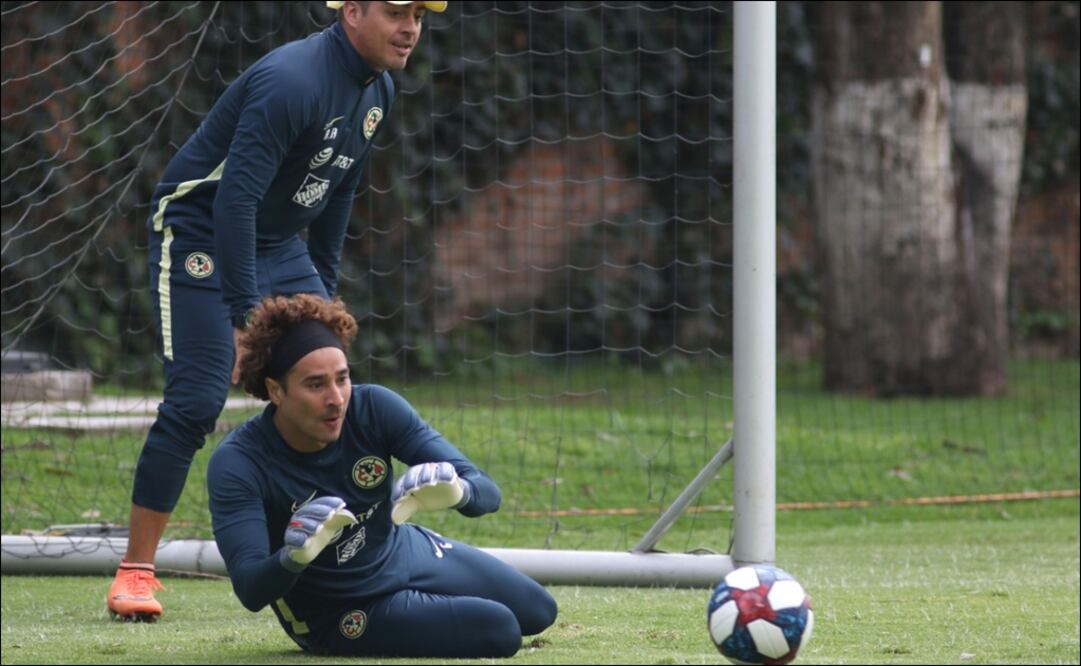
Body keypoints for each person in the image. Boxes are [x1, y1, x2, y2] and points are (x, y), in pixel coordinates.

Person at [108, 1, 449, 621]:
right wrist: (244, 315)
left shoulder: (380, 91)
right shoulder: (293, 81)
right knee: (199, 395)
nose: (410, 29)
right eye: (397, 13)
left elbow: (338, 192)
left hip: (277, 241)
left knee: (325, 378)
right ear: (351, 12)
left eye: (420, 18)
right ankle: (135, 572)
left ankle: (320, 540)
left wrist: (323, 295)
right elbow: (232, 200)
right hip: (199, 230)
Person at [206, 294, 558, 657]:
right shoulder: (238, 463)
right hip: (337, 611)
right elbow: (251, 590)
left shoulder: (374, 408)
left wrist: (458, 492)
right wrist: (294, 556)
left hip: (401, 551)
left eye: (342, 379)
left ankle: (415, 602)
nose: (337, 398)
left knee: (539, 610)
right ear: (275, 390)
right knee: (498, 629)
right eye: (315, 385)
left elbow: (488, 492)